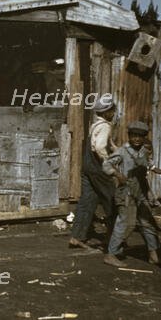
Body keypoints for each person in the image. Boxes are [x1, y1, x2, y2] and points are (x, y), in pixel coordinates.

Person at [102, 121, 161, 267]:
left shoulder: (143, 151)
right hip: (126, 192)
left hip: (141, 192)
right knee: (125, 223)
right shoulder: (122, 151)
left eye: (140, 136)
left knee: (147, 223)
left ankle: (153, 255)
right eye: (134, 135)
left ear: (144, 137)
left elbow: (152, 166)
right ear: (129, 136)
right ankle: (111, 254)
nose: (137, 139)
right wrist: (118, 175)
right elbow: (106, 165)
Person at [69, 97, 117, 249]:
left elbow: (108, 144)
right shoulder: (105, 127)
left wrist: (120, 151)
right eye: (112, 110)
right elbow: (100, 147)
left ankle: (77, 237)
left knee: (87, 201)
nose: (114, 113)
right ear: (107, 112)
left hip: (88, 166)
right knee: (112, 201)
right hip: (98, 168)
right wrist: (108, 162)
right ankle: (113, 241)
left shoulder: (95, 124)